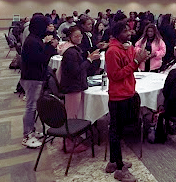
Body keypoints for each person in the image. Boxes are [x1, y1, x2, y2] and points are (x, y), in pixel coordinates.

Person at [105, 21, 150, 182]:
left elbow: (133, 65)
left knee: (119, 130)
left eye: (129, 30)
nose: (129, 33)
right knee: (116, 132)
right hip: (118, 96)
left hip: (128, 92)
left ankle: (112, 162)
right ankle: (119, 169)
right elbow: (115, 75)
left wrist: (140, 58)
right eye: (125, 31)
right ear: (117, 33)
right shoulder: (112, 51)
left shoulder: (127, 47)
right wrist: (136, 62)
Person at [59, 26, 100, 151]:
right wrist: (89, 60)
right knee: (71, 116)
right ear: (70, 37)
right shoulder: (70, 52)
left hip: (75, 86)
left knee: (74, 114)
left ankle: (73, 139)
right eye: (76, 36)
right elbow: (76, 71)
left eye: (80, 36)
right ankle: (69, 143)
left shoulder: (73, 50)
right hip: (73, 87)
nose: (79, 38)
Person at [20, 14, 58, 148]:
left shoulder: (35, 39)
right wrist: (50, 46)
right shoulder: (32, 41)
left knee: (34, 106)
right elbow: (41, 59)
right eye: (44, 25)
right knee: (31, 107)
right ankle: (27, 135)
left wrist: (47, 44)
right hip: (32, 78)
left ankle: (32, 131)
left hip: (34, 77)